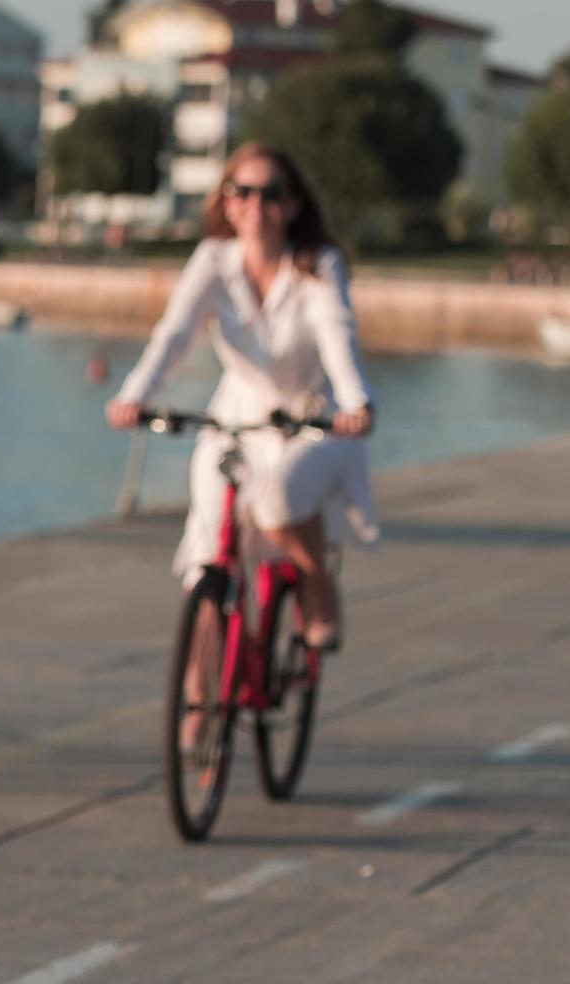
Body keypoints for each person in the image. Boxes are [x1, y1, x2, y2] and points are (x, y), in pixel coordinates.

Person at [106, 143, 376, 653]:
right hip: (236, 417)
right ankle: (195, 710)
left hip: (313, 418)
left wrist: (356, 403)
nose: (256, 205)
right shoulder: (213, 259)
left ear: (293, 204)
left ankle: (317, 586)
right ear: (226, 203)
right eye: (243, 191)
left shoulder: (319, 263)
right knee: (208, 555)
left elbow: (339, 336)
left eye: (271, 193)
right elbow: (174, 335)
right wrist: (134, 396)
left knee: (281, 500)